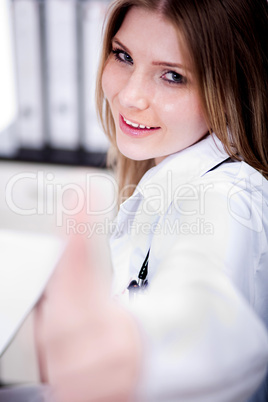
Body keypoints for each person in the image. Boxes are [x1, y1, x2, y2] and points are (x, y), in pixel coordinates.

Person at [34, 0, 268, 401]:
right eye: (123, 55)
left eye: (173, 76)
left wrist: (136, 351)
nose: (129, 96)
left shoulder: (228, 196)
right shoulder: (166, 170)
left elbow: (206, 304)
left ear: (231, 88)